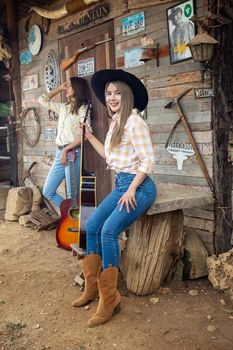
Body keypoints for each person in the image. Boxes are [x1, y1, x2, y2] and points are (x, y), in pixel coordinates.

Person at [72, 69, 157, 327]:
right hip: (123, 184)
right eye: (108, 93)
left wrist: (132, 189)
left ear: (127, 95)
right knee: (93, 225)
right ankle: (92, 288)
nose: (112, 97)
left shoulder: (135, 122)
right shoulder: (116, 122)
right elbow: (111, 159)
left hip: (139, 187)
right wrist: (88, 137)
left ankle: (110, 299)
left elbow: (148, 160)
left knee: (108, 231)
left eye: (117, 93)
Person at [38, 77, 91, 212]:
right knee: (48, 191)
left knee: (72, 196)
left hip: (73, 153)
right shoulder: (63, 107)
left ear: (78, 89)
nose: (67, 88)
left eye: (70, 86)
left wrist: (66, 150)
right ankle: (71, 215)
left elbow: (83, 136)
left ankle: (75, 225)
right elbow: (42, 100)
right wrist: (59, 89)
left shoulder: (83, 109)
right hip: (60, 153)